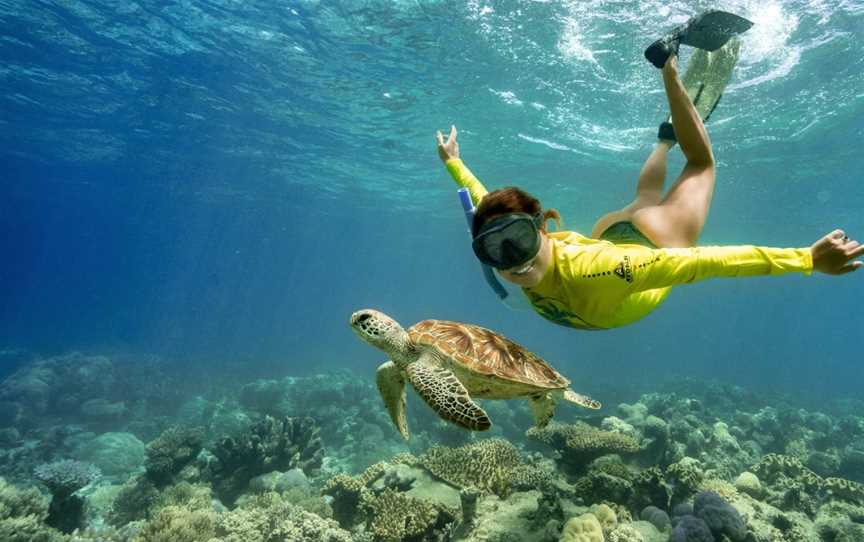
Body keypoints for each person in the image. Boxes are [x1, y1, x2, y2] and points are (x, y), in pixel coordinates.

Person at [435, 55, 862, 331]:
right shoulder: (514, 240)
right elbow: (481, 201)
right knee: (648, 199)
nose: (514, 261)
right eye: (495, 249)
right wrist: (454, 161)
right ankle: (664, 140)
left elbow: (707, 263)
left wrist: (805, 260)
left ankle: (671, 74)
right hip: (614, 233)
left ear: (542, 228)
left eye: (520, 241)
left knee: (701, 165)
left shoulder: (603, 270)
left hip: (646, 242)